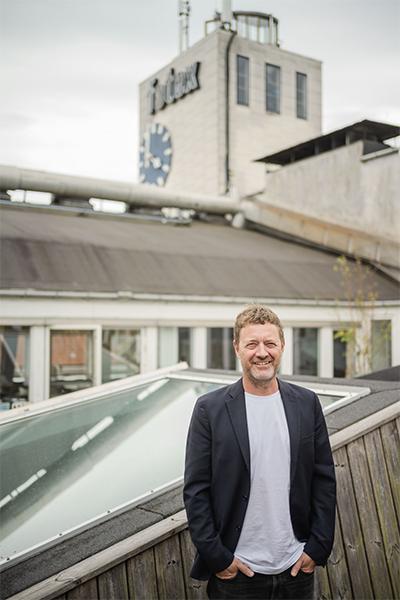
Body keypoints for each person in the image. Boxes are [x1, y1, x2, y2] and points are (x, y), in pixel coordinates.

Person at [184, 305, 336, 599]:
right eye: (252, 343)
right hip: (237, 573)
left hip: (296, 567)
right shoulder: (209, 409)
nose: (262, 352)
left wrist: (317, 548)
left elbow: (324, 479)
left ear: (282, 346)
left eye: (270, 343)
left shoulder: (307, 403)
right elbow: (196, 489)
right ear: (237, 348)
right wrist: (219, 558)